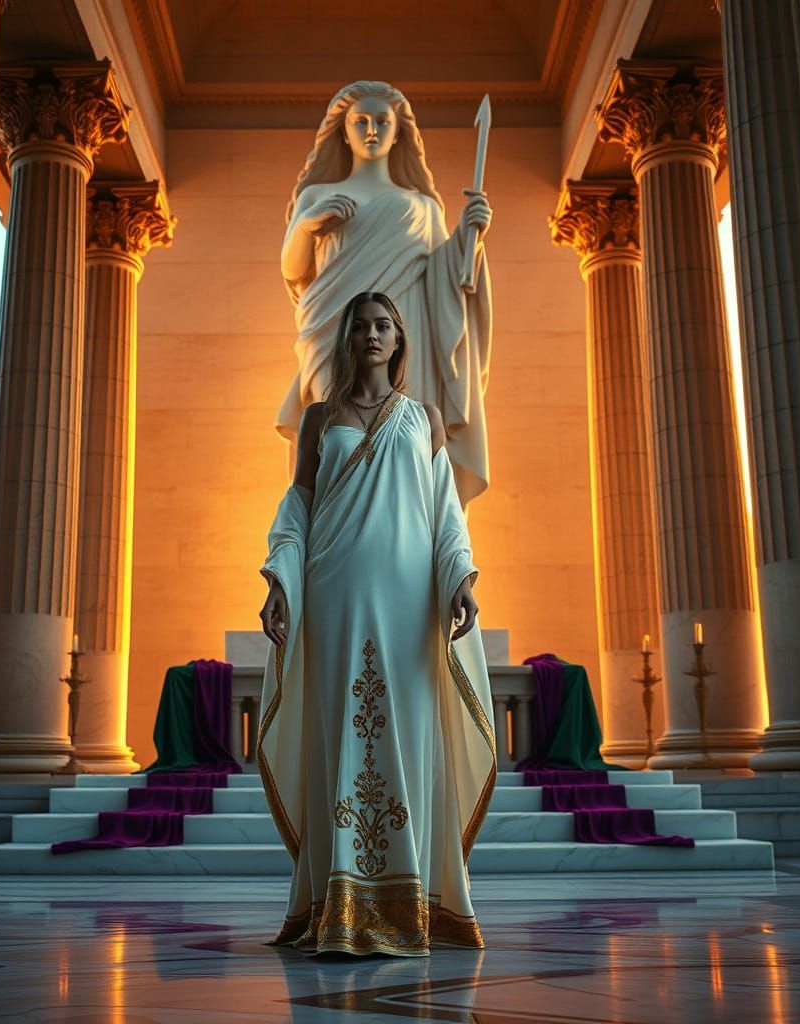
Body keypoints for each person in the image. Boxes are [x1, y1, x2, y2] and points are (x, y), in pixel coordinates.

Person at [257, 291, 497, 957]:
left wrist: (461, 578)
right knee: (342, 732)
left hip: (406, 598)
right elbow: (299, 506)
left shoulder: (424, 419)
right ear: (347, 337)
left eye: (383, 325)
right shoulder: (318, 418)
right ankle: (339, 907)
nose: (371, 334)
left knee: (407, 732)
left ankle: (411, 903)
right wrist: (281, 578)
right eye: (360, 324)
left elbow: (447, 509)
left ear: (399, 340)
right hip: (333, 592)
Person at [277, 80, 493, 507]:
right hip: (333, 332)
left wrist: (470, 235)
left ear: (399, 132)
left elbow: (445, 277)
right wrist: (307, 225)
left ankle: (409, 541)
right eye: (361, 121)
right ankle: (335, 534)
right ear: (343, 130)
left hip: (404, 329)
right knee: (337, 438)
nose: (371, 129)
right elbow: (293, 268)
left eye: (382, 121)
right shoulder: (317, 195)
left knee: (405, 442)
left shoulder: (422, 206)